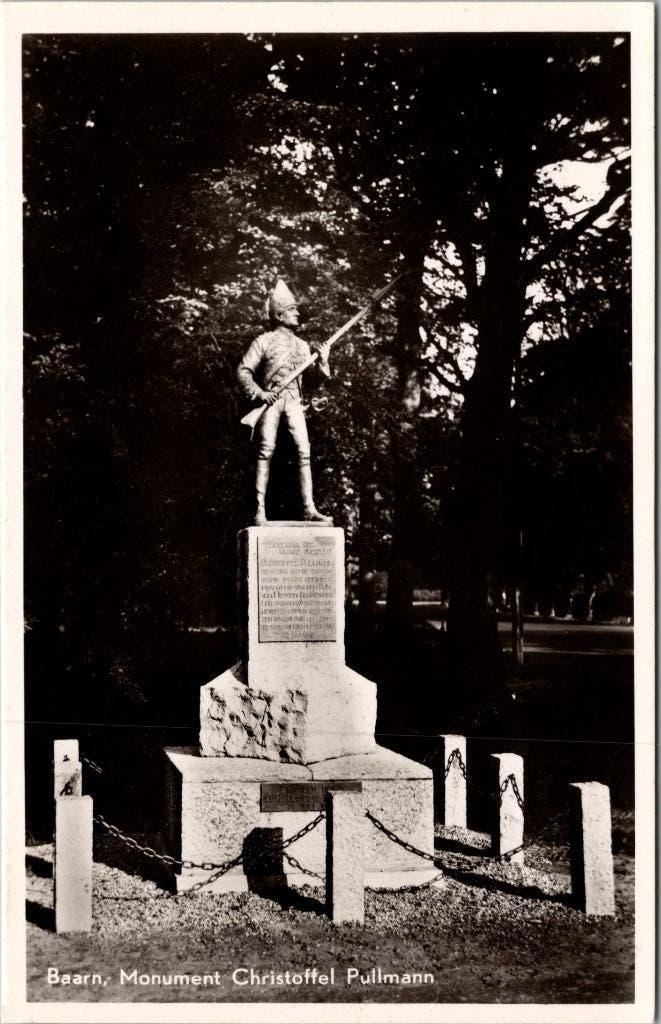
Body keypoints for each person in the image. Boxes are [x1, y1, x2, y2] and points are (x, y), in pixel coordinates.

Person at [237, 279, 332, 526]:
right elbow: (244, 371)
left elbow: (312, 381)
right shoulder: (264, 341)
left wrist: (323, 362)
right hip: (271, 400)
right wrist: (259, 394)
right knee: (266, 449)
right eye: (292, 310)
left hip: (294, 401)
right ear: (279, 314)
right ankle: (259, 510)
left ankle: (309, 508)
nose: (297, 313)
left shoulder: (302, 345)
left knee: (304, 451)